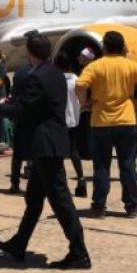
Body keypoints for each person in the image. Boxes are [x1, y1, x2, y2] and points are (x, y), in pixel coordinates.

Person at [0, 34, 90, 269]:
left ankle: (79, 251)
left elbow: (23, 109)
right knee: (34, 199)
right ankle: (19, 243)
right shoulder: (56, 73)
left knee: (61, 201)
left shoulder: (36, 77)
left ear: (30, 53)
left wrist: (1, 107)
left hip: (44, 145)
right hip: (48, 144)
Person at [76, 31, 137, 218]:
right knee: (127, 165)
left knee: (101, 166)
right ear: (123, 48)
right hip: (126, 120)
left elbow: (80, 86)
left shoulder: (96, 66)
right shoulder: (129, 65)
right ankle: (131, 207)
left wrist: (85, 102)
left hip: (101, 121)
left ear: (104, 47)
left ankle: (98, 206)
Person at [54, 52, 87, 198]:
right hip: (74, 119)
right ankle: (81, 179)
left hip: (60, 121)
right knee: (74, 151)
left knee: (59, 153)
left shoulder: (57, 81)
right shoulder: (76, 79)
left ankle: (61, 184)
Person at [5, 62, 32, 193]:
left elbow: (13, 93)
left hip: (20, 116)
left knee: (17, 154)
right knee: (34, 152)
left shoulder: (20, 71)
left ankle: (14, 183)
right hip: (34, 118)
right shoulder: (40, 72)